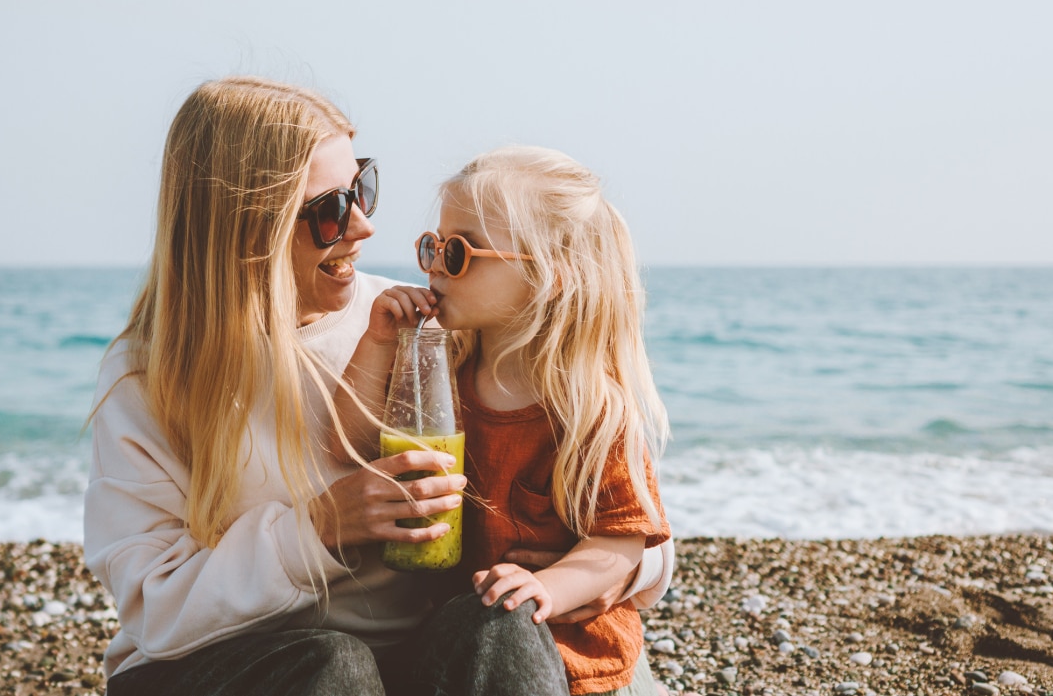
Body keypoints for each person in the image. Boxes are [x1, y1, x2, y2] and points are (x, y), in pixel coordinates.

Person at [83, 77, 673, 696]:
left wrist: (612, 568)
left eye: (362, 187)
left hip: (410, 659)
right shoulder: (151, 376)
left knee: (496, 628)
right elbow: (156, 613)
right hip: (223, 666)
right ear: (245, 229)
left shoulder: (411, 326)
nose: (363, 227)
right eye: (331, 210)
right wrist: (318, 527)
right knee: (334, 664)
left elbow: (619, 513)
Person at [335, 145, 672, 696]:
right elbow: (345, 446)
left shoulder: (590, 408)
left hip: (571, 656)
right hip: (458, 645)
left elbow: (619, 544)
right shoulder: (440, 371)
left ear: (549, 275)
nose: (435, 267)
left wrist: (548, 588)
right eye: (432, 246)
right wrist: (376, 344)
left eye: (460, 254)